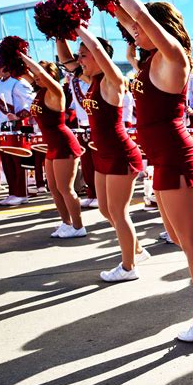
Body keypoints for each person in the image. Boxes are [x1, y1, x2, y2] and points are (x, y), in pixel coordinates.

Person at [110, 0, 193, 341]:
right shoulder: (148, 56)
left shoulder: (172, 57)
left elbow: (137, 15)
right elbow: (128, 17)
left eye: (141, 28)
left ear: (159, 29)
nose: (134, 33)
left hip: (177, 156)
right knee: (183, 237)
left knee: (191, 240)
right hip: (161, 157)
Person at [76, 26, 148, 282]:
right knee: (106, 210)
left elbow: (96, 48)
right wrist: (60, 32)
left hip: (119, 153)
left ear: (99, 57)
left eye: (83, 54)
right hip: (101, 155)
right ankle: (137, 250)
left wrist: (78, 27)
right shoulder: (91, 80)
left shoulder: (111, 80)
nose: (79, 58)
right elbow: (65, 60)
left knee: (119, 212)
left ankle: (129, 268)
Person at [20, 54, 86, 238]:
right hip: (52, 146)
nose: (37, 77)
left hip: (64, 144)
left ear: (51, 75)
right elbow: (28, 74)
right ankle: (66, 223)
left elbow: (39, 72)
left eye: (42, 74)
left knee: (66, 189)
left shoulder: (55, 91)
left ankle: (79, 226)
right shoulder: (39, 91)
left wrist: (21, 55)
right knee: (55, 189)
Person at [56, 41, 98, 208]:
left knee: (98, 163)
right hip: (83, 126)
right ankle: (92, 193)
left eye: (83, 56)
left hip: (97, 126)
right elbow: (75, 104)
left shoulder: (96, 77)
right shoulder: (74, 81)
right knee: (87, 163)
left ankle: (100, 195)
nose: (79, 61)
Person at [0, 59, 34, 205]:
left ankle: (21, 193)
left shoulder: (19, 83)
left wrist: (19, 116)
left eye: (2, 64)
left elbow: (33, 102)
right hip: (3, 126)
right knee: (7, 162)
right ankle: (12, 192)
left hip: (18, 125)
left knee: (19, 161)